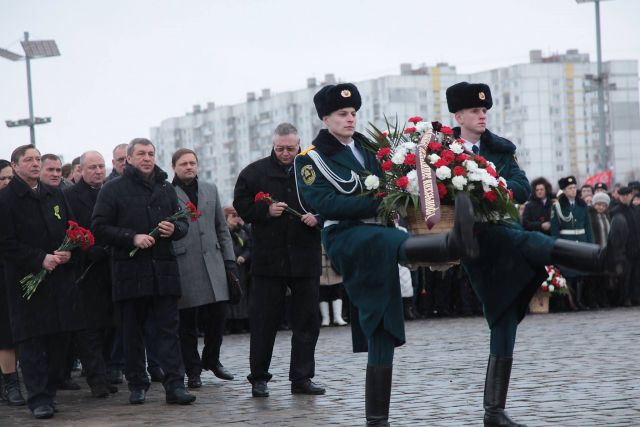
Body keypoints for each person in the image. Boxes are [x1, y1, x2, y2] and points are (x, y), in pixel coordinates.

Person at [295, 83, 481, 426]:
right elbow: (320, 202)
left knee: (381, 324)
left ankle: (377, 420)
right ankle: (448, 247)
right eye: (342, 114)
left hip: (378, 233)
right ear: (325, 118)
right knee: (382, 242)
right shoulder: (310, 158)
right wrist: (378, 202)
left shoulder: (371, 149)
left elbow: (395, 184)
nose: (350, 119)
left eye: (353, 113)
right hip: (344, 235)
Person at [445, 81, 618, 426]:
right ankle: (598, 259)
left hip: (502, 231)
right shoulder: (440, 152)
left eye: (485, 110)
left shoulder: (500, 150)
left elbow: (522, 186)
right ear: (458, 115)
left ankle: (494, 411)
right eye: (476, 111)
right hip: (475, 240)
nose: (482, 116)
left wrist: (491, 183)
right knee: (526, 243)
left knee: (504, 317)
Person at [92, 138, 195, 405]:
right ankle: (138, 384)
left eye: (151, 153)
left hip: (164, 272)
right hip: (129, 273)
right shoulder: (112, 189)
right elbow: (99, 228)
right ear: (129, 158)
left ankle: (175, 385)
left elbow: (182, 222)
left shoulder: (165, 188)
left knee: (168, 332)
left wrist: (175, 230)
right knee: (131, 333)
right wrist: (132, 237)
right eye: (141, 154)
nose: (147, 158)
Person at [233, 123, 327, 399]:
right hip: (268, 260)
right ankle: (259, 379)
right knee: (263, 322)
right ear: (273, 146)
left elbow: (330, 200)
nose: (285, 153)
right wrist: (265, 210)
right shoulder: (254, 172)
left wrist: (318, 217)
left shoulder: (313, 170)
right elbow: (241, 205)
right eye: (280, 148)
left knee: (307, 321)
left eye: (291, 148)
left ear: (300, 144)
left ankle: (302, 378)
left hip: (304, 257)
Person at [0, 145, 85, 419]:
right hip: (26, 282)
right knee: (33, 340)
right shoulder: (6, 199)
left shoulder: (55, 194)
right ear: (15, 166)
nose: (35, 164)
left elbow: (72, 227)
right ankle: (38, 398)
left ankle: (49, 392)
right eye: (29, 160)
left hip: (58, 279)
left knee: (58, 339)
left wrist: (69, 250)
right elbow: (6, 243)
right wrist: (39, 259)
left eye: (38, 159)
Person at [170, 148, 237, 388]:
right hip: (184, 263)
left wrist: (228, 259)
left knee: (219, 315)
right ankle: (193, 370)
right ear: (174, 167)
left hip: (214, 262)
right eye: (184, 164)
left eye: (192, 163)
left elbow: (221, 227)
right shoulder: (168, 192)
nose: (189, 167)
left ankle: (212, 359)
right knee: (187, 321)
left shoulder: (210, 189)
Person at [63, 151, 117, 397]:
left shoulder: (112, 190)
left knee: (110, 326)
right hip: (86, 269)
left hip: (113, 267)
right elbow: (67, 231)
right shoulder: (70, 197)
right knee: (90, 328)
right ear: (81, 170)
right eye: (93, 167)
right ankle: (97, 379)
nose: (98, 171)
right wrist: (88, 250)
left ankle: (105, 372)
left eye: (101, 166)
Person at [0, 160, 26, 406]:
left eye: (10, 178)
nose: (8, 183)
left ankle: (10, 380)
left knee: (12, 333)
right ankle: (10, 383)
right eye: (2, 179)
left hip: (16, 274)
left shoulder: (18, 204)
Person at [551, 176, 594, 310]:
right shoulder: (558, 206)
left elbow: (588, 226)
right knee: (569, 274)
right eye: (570, 188)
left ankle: (579, 301)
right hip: (567, 242)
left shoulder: (582, 205)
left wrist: (590, 244)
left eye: (575, 187)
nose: (573, 190)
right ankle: (571, 303)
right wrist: (557, 245)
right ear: (564, 190)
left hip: (581, 241)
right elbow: (555, 228)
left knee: (581, 274)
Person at [609, 187, 640, 306]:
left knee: (636, 276)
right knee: (625, 277)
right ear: (619, 196)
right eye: (623, 195)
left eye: (627, 194)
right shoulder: (615, 211)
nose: (626, 197)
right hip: (624, 249)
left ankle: (635, 296)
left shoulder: (636, 210)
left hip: (637, 247)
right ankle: (625, 298)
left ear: (631, 195)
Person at [224, 206, 252, 333]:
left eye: (238, 216)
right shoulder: (224, 232)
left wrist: (243, 257)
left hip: (240, 267)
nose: (237, 219)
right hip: (228, 267)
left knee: (241, 293)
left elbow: (248, 246)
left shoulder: (242, 231)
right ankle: (228, 323)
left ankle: (240, 322)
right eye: (233, 216)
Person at [588, 192, 613, 308]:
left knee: (604, 277)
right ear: (594, 204)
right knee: (594, 278)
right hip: (595, 251)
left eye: (603, 205)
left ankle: (603, 299)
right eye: (598, 204)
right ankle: (593, 300)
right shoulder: (590, 216)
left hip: (606, 251)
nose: (600, 207)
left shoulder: (607, 216)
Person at [318, 246, 348, 326]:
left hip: (334, 267)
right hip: (322, 268)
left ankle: (337, 317)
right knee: (322, 294)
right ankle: (325, 318)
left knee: (337, 292)